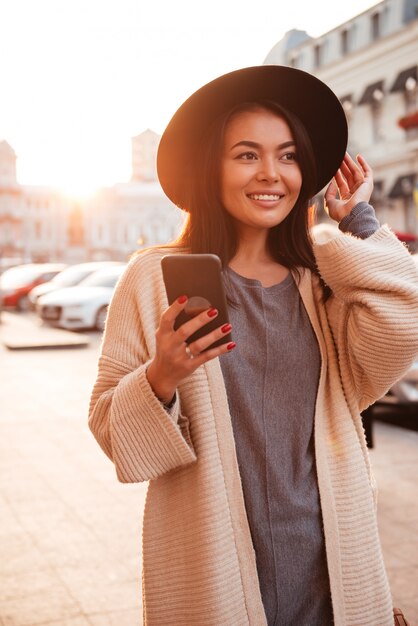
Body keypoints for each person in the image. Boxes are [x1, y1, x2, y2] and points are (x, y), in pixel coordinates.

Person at [88, 65, 418, 626]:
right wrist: (160, 378)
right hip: (210, 568)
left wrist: (358, 221)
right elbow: (113, 433)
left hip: (332, 568)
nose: (271, 174)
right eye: (247, 154)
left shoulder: (322, 282)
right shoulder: (151, 278)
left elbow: (403, 324)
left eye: (288, 156)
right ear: (210, 167)